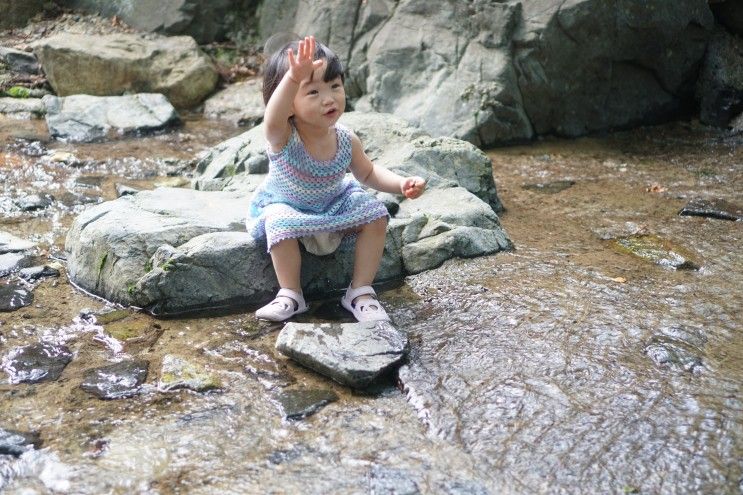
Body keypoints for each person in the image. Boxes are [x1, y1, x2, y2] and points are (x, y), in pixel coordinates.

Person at [247, 35, 426, 322]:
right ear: (290, 104)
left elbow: (367, 172)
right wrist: (293, 77)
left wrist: (400, 184)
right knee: (277, 221)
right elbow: (272, 117)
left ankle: (360, 292)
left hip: (334, 202)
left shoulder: (345, 139)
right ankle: (290, 294)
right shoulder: (283, 136)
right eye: (313, 92)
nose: (329, 98)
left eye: (334, 86)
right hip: (288, 205)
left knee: (376, 214)